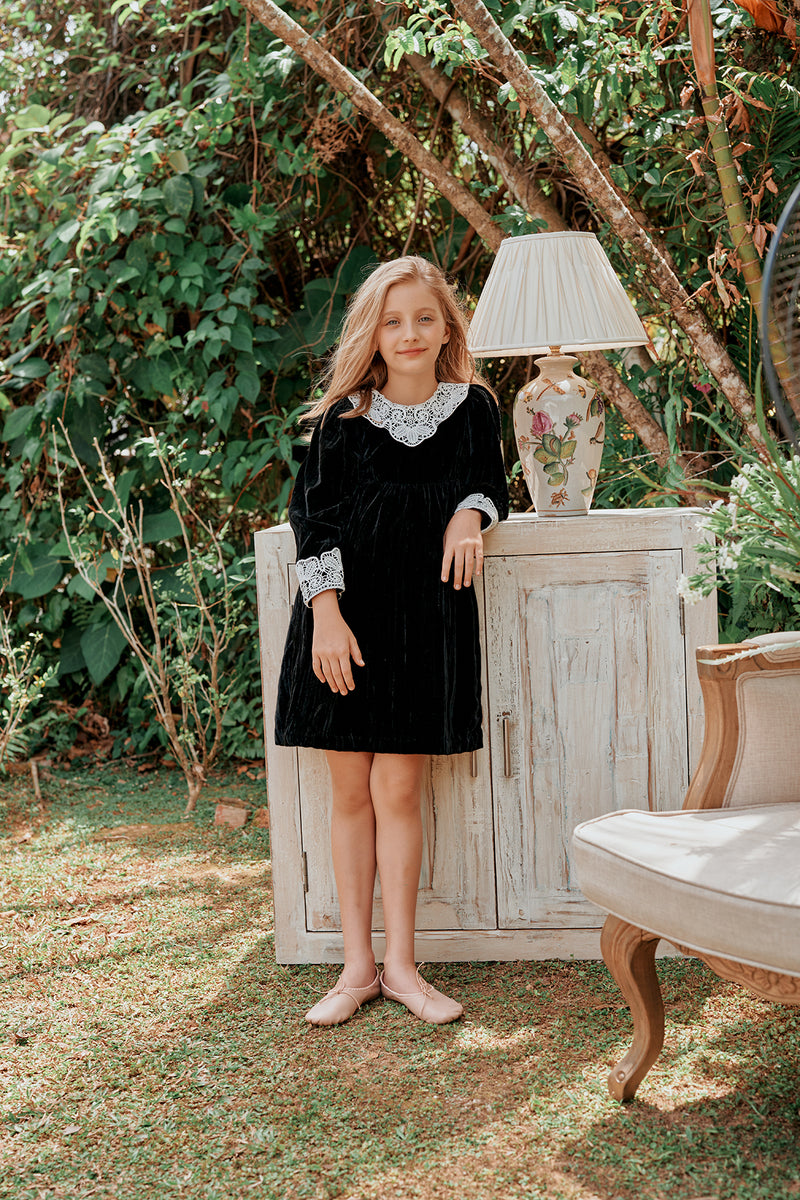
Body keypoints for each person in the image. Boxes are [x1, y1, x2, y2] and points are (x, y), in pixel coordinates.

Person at [274, 255, 509, 1026]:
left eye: (424, 318)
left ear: (447, 329)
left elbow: (489, 482)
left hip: (423, 626)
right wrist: (326, 616)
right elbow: (314, 521)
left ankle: (403, 968)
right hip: (343, 627)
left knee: (399, 791)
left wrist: (469, 515)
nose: (409, 333)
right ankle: (356, 970)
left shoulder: (474, 408)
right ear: (372, 333)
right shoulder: (343, 420)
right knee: (350, 793)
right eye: (393, 320)